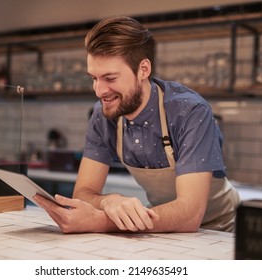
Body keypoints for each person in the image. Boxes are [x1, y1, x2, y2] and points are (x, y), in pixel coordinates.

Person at [34, 16, 240, 233]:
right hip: (161, 226)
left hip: (221, 231)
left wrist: (103, 222)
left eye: (110, 78)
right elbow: (83, 192)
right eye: (94, 78)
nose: (99, 91)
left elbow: (189, 214)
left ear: (143, 70)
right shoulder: (103, 115)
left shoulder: (190, 112)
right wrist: (109, 201)